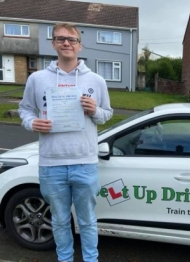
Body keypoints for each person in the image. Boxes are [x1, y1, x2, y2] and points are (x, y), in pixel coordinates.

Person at [18, 22, 113, 262]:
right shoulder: (37, 79)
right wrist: (32, 123)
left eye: (71, 39)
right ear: (53, 43)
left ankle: (91, 259)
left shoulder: (96, 80)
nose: (66, 43)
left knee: (88, 220)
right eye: (60, 39)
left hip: (85, 162)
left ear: (80, 45)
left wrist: (94, 111)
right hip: (51, 164)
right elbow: (26, 110)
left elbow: (107, 114)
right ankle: (65, 259)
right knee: (60, 220)